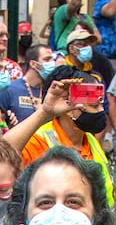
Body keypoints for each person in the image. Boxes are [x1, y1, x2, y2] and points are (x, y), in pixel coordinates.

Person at [19, 65, 110, 198]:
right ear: (68, 106)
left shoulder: (91, 141)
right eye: (94, 105)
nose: (101, 111)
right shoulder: (36, 142)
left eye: (101, 104)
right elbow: (1, 156)